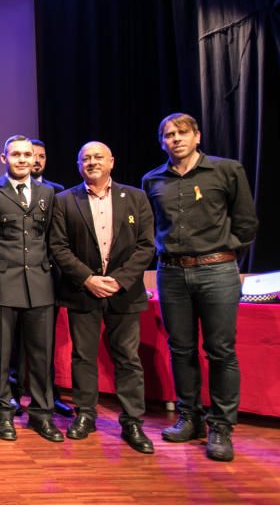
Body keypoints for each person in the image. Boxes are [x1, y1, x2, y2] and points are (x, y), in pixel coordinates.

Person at [143, 113, 258, 462]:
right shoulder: (152, 179)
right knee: (181, 348)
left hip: (216, 270)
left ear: (197, 136)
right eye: (168, 134)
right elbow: (151, 226)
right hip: (172, 273)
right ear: (162, 141)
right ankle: (189, 417)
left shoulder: (226, 170)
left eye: (181, 133)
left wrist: (224, 252)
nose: (175, 139)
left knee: (221, 350)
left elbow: (247, 223)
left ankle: (221, 425)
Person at [51, 141, 156, 453]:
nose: (92, 162)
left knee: (127, 358)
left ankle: (132, 422)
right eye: (86, 158)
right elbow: (58, 247)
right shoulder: (64, 200)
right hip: (83, 291)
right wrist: (88, 279)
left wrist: (119, 280)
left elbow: (146, 246)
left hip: (124, 292)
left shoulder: (135, 197)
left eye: (98, 157)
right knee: (83, 357)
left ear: (112, 161)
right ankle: (85, 415)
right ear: (78, 164)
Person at [0, 135, 62, 443]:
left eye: (26, 155)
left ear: (35, 159)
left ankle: (42, 415)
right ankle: (2, 413)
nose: (21, 159)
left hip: (40, 286)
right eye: (14, 154)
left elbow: (54, 241)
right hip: (2, 284)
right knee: (1, 356)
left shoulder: (50, 193)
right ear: (4, 158)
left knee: (42, 357)